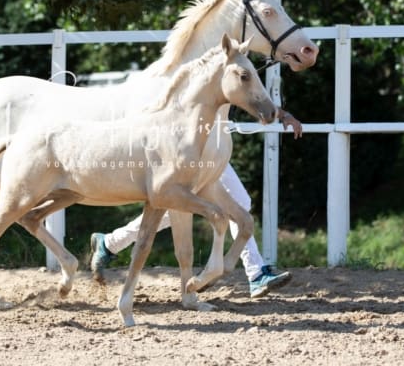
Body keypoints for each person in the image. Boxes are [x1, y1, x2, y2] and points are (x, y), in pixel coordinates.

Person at [90, 108, 302, 299]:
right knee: (176, 210)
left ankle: (110, 243)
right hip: (193, 151)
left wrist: (281, 114)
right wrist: (282, 115)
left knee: (234, 204)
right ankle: (110, 243)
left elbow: (250, 94)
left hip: (213, 150)